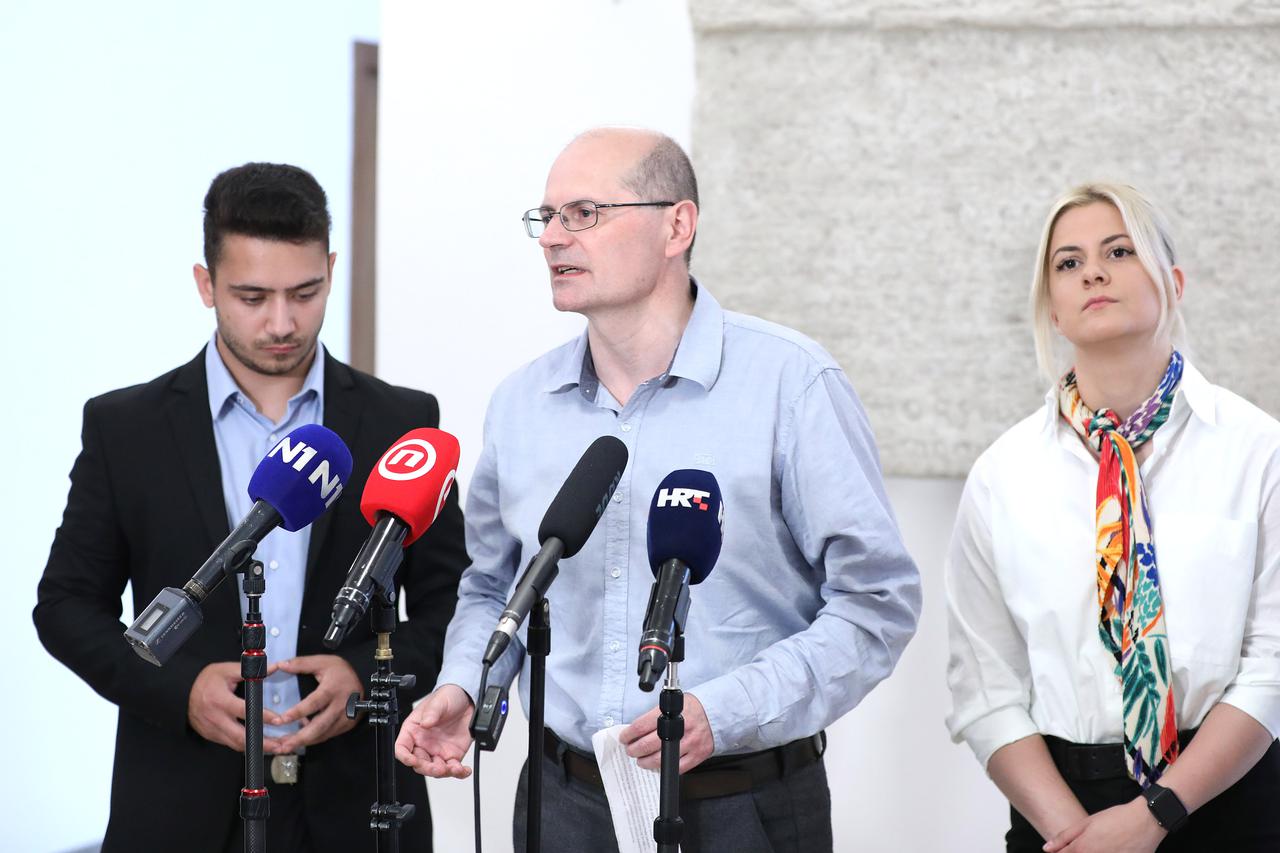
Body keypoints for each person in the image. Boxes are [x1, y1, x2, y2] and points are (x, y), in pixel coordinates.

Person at [394, 127, 922, 852]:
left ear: (677, 225)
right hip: (561, 802)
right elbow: (493, 587)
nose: (553, 238)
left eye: (584, 213)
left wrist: (727, 711)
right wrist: (464, 684)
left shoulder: (791, 384)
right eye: (546, 217)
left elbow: (876, 603)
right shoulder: (521, 405)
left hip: (741, 802)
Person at [33, 162, 469, 853]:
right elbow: (64, 607)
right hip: (178, 810)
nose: (281, 322)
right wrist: (180, 692)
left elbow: (457, 606)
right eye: (252, 296)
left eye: (305, 292)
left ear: (331, 270)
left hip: (359, 809)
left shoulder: (402, 421)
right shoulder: (126, 428)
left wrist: (365, 676)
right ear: (206, 284)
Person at [945, 182, 1280, 852]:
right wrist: (1075, 835)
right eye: (1067, 262)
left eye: (1119, 251)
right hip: (1062, 814)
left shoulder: (1258, 450)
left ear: (1173, 283)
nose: (1092, 272)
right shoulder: (1001, 475)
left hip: (1231, 797)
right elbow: (985, 686)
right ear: (1053, 309)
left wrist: (1153, 817)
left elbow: (1272, 665)